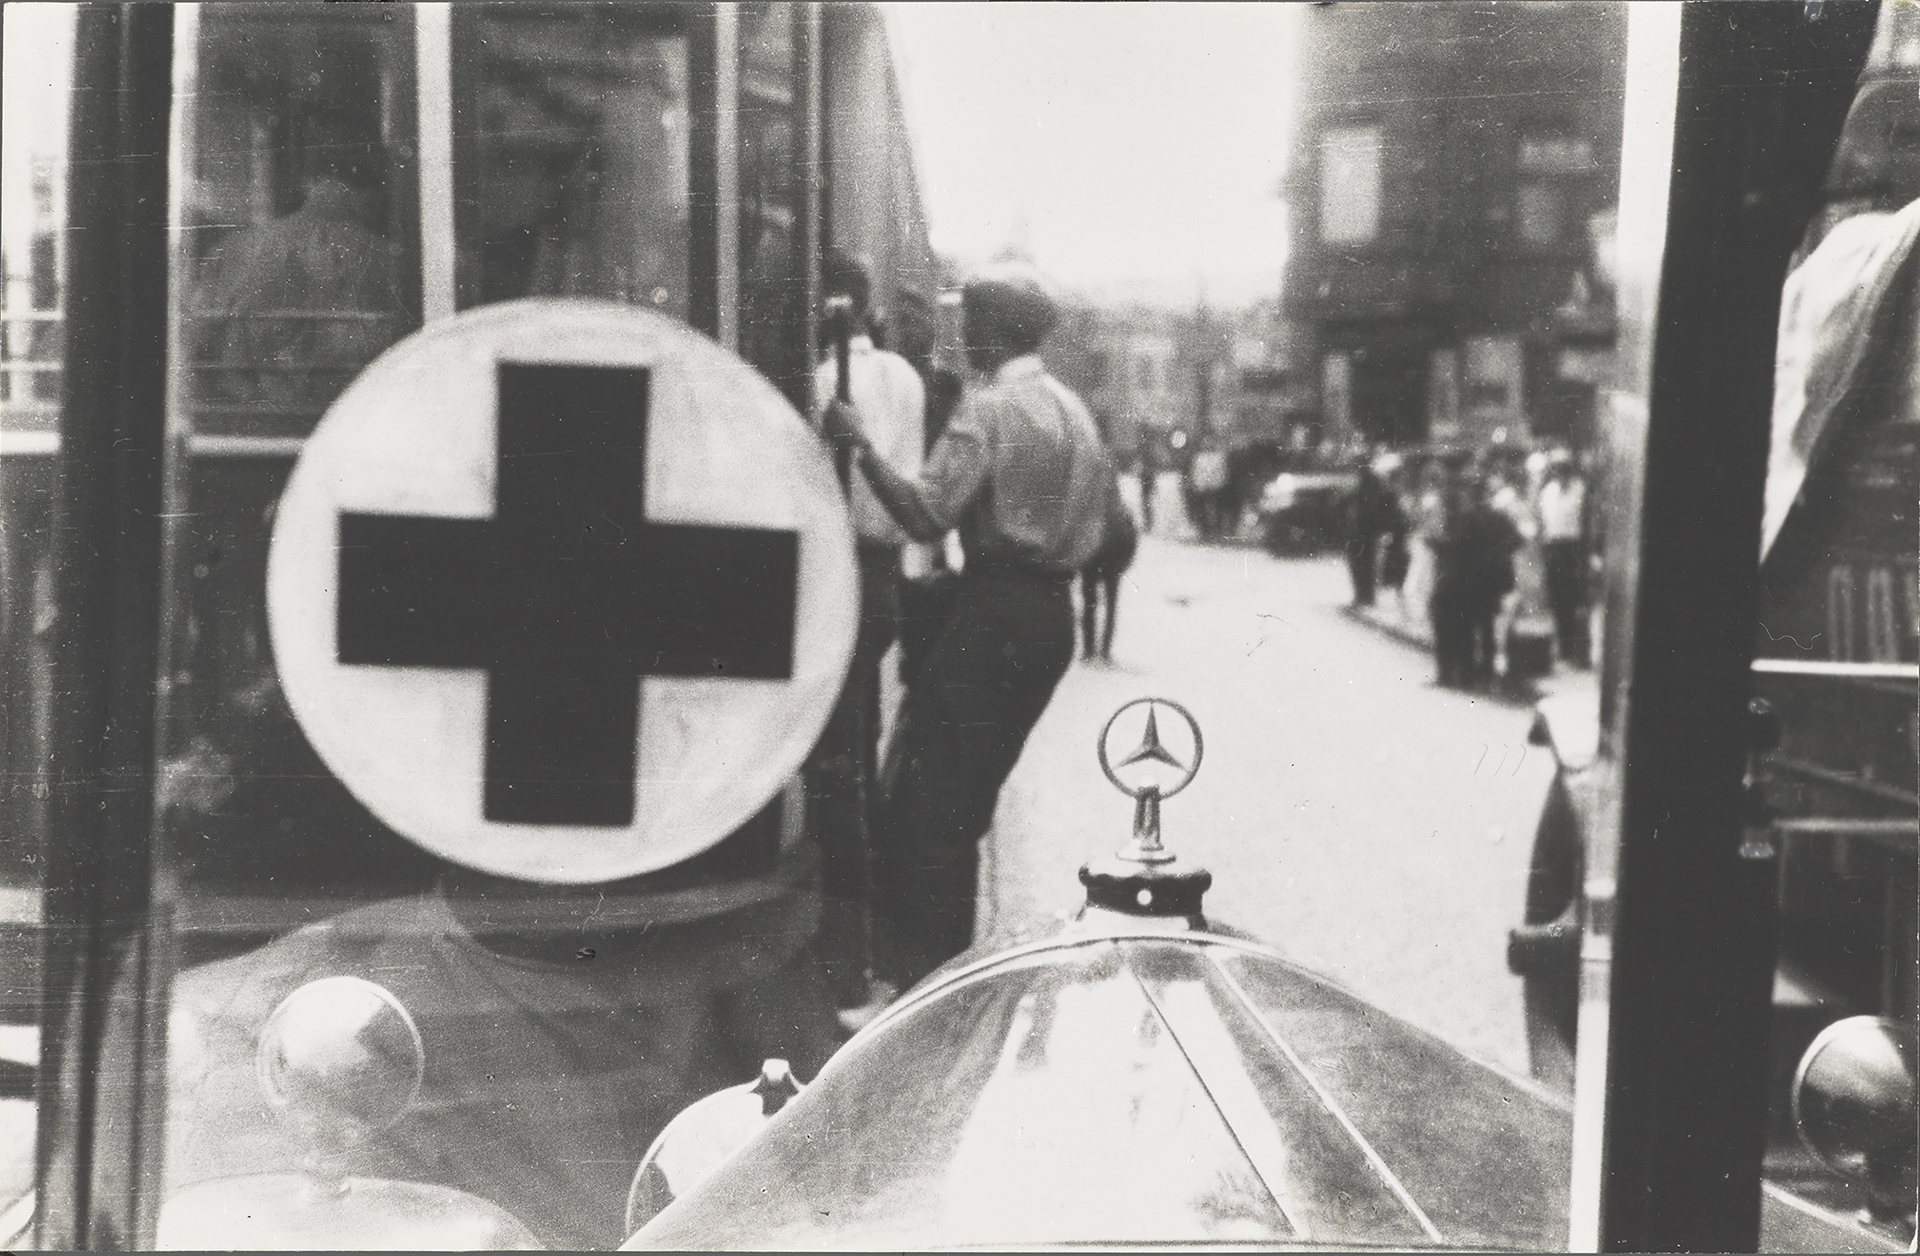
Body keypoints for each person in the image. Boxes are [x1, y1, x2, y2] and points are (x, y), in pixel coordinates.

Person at [819, 262, 1120, 989]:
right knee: (963, 804)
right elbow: (1106, 523)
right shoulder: (1073, 412)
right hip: (1049, 619)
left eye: (971, 324)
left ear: (995, 331)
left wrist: (859, 443)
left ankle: (930, 988)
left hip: (994, 615)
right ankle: (944, 980)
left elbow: (925, 512)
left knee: (931, 814)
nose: (962, 335)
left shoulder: (989, 410)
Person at [805, 250, 926, 1025]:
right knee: (862, 748)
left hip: (835, 572)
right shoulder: (907, 380)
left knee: (834, 771)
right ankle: (873, 944)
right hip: (884, 577)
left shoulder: (817, 383)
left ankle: (845, 965)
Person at [195, 116, 411, 418]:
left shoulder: (234, 250)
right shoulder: (395, 262)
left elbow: (196, 352)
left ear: (308, 181)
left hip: (242, 428)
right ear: (375, 188)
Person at [1537, 454, 1592, 667]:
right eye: (1557, 469)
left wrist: (1587, 553)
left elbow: (1588, 522)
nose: (1561, 473)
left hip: (1574, 548)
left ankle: (1580, 652)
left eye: (1564, 468)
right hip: (1553, 548)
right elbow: (1543, 522)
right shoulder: (1548, 491)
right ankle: (1563, 648)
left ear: (1570, 470)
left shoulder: (1582, 490)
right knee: (1558, 599)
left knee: (1577, 599)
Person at [1080, 490, 1139, 662]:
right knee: (1108, 607)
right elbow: (1131, 541)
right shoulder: (1122, 513)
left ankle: (1089, 650)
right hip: (1110, 566)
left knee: (1090, 605)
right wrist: (1124, 564)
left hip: (1093, 564)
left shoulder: (1089, 512)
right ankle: (1103, 651)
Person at [1342, 460, 1403, 608]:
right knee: (1362, 565)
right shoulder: (1364, 490)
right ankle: (1364, 596)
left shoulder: (1374, 489)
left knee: (1363, 565)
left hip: (1365, 532)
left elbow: (1386, 511)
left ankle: (1364, 596)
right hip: (1363, 532)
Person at [1188, 439, 1229, 540]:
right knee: (1202, 508)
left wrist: (1220, 483)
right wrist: (1197, 484)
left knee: (1218, 508)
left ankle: (1218, 530)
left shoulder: (1219, 457)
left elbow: (1222, 471)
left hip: (1216, 485)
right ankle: (1204, 530)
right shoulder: (1199, 457)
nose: (1208, 445)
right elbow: (1196, 471)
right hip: (1202, 486)